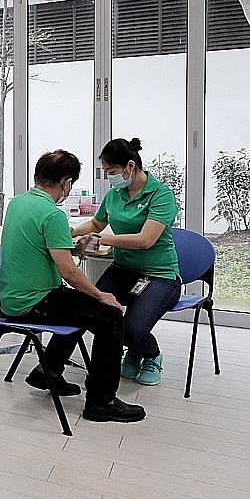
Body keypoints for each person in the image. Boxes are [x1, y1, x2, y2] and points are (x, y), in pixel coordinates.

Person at [0, 150, 145, 423]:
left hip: (11, 297)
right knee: (110, 316)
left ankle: (47, 372)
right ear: (66, 183)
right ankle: (101, 401)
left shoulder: (18, 203)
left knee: (80, 307)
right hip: (33, 302)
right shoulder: (51, 214)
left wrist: (74, 247)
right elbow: (69, 272)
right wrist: (101, 295)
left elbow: (43, 247)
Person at [65, 138, 181, 387]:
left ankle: (150, 353)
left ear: (130, 166)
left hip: (159, 275)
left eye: (111, 171)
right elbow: (96, 223)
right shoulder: (114, 195)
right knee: (93, 314)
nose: (110, 177)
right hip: (122, 271)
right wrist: (69, 232)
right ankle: (132, 351)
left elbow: (145, 240)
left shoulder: (161, 194)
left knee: (132, 330)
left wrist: (102, 239)